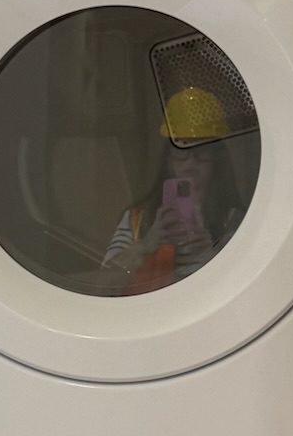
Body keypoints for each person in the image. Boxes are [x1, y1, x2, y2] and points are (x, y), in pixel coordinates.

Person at [103, 86, 247, 294]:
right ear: (168, 161)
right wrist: (147, 244)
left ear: (217, 162)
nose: (190, 164)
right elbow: (103, 284)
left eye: (201, 153)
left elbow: (248, 289)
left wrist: (211, 254)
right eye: (181, 153)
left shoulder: (237, 221)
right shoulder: (137, 220)